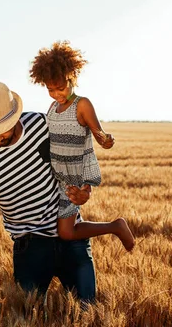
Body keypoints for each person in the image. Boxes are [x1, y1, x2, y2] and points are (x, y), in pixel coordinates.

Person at [0, 81, 96, 324]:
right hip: (31, 248)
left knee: (89, 316)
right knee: (27, 319)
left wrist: (85, 188)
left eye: (3, 127)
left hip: (72, 241)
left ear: (15, 115)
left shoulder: (43, 126)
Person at [29, 40, 135, 251]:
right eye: (51, 89)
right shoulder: (52, 107)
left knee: (66, 232)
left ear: (72, 77)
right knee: (50, 226)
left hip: (72, 178)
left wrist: (106, 140)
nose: (57, 94)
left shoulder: (82, 105)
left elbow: (98, 135)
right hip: (53, 175)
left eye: (60, 88)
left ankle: (115, 226)